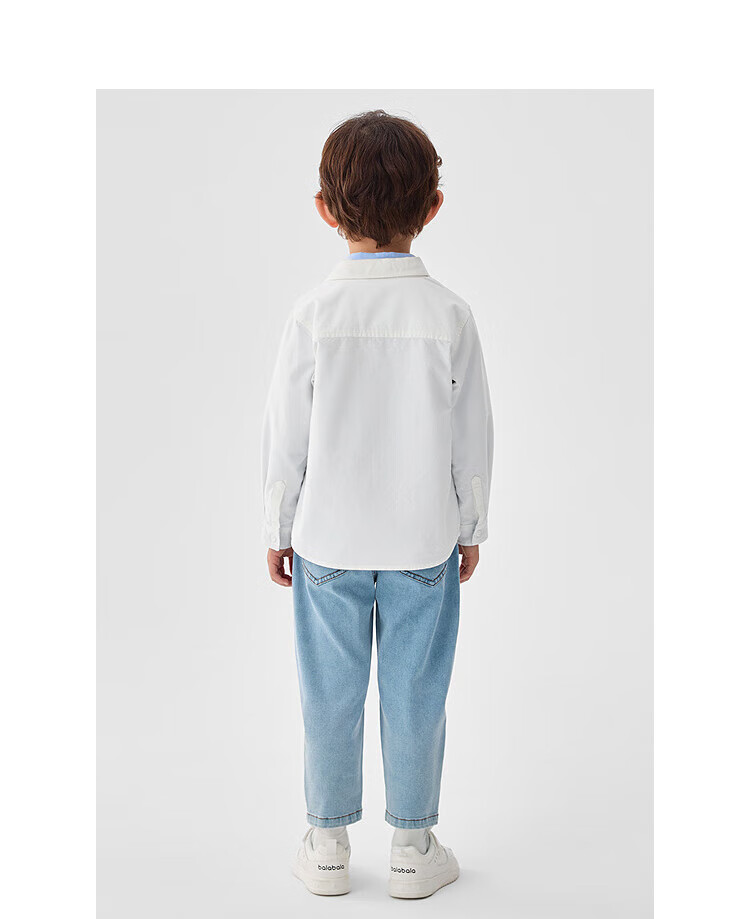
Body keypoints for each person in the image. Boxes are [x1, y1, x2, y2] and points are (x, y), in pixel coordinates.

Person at [261, 110, 493, 899]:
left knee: (328, 692)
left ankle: (327, 844)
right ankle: (413, 845)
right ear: (433, 207)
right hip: (423, 539)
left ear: (324, 209)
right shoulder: (449, 316)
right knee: (416, 692)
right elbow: (472, 434)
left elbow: (285, 435)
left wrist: (276, 525)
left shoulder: (312, 315)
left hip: (327, 540)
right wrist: (470, 525)